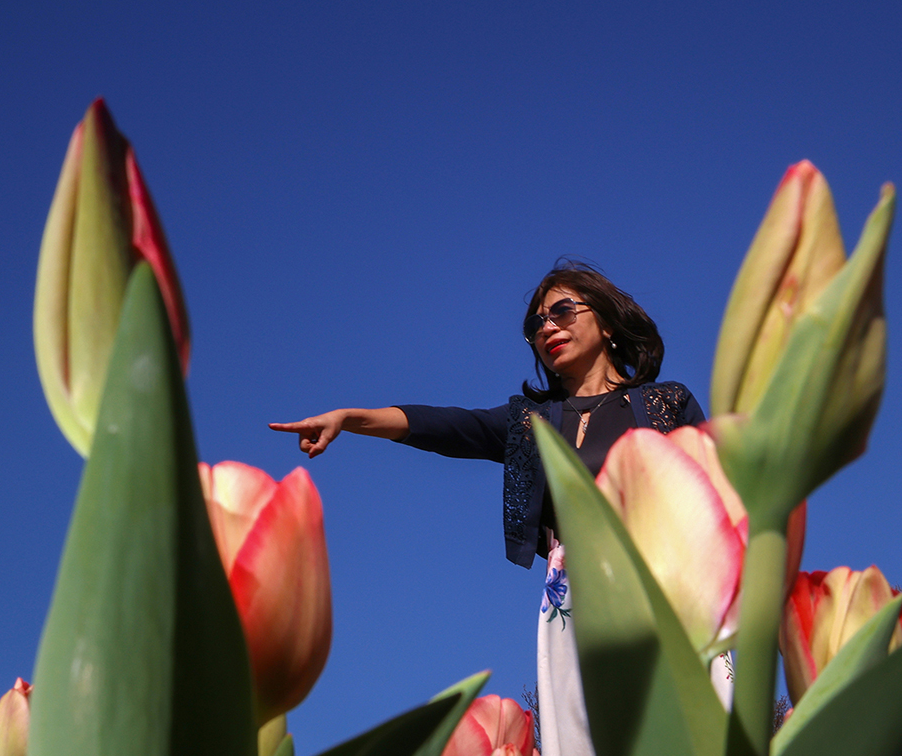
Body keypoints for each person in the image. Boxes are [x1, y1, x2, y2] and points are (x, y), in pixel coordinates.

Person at [270, 261, 712, 756]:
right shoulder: (532, 423)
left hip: (667, 587)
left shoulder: (665, 404)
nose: (547, 328)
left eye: (562, 311)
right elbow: (445, 426)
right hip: (577, 598)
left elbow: (715, 498)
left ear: (606, 322)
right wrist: (349, 418)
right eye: (537, 324)